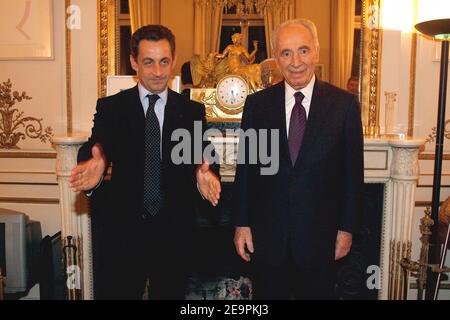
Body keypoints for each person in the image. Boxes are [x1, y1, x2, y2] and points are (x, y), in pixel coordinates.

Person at [69, 25, 221, 300]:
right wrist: (97, 162)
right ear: (133, 62)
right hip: (124, 235)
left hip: (174, 236)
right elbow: (96, 147)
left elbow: (206, 155)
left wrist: (204, 173)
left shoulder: (191, 111)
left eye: (164, 62)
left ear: (173, 60)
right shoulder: (112, 107)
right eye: (148, 62)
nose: (158, 71)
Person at [233, 19, 364, 299]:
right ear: (276, 59)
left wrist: (347, 229)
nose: (295, 62)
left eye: (303, 51)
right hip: (268, 239)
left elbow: (354, 177)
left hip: (321, 238)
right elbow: (246, 170)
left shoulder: (344, 105)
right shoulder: (257, 106)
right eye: (286, 53)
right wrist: (241, 224)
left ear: (316, 52)